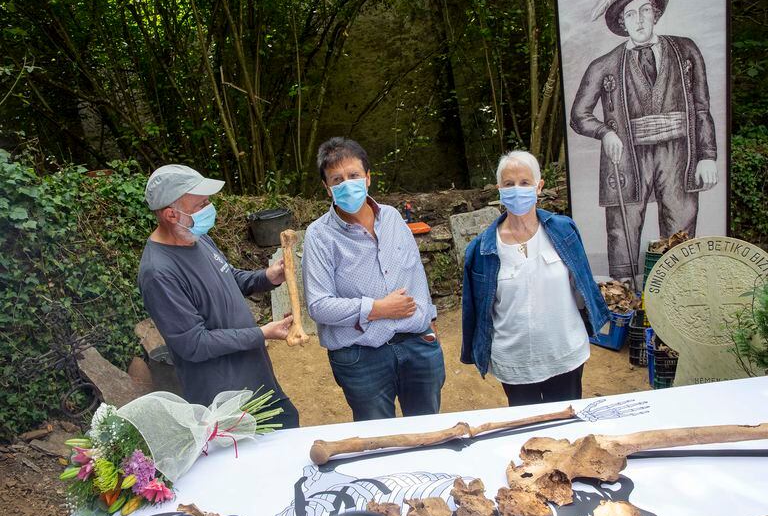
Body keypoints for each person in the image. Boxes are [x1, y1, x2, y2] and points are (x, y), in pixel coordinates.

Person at [138, 163, 299, 428]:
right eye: (200, 205)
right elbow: (194, 343)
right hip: (224, 399)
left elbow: (229, 277)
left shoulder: (197, 239)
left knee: (289, 426)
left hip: (257, 378)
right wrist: (262, 333)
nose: (209, 209)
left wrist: (267, 277)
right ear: (171, 214)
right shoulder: (159, 273)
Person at [570, 0, 717, 280]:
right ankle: (624, 306)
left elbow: (701, 107)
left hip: (678, 155)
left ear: (656, 13)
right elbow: (578, 115)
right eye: (629, 14)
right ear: (623, 24)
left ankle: (676, 301)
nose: (638, 20)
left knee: (680, 234)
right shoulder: (604, 65)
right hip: (627, 159)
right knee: (622, 233)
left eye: (644, 10)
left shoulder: (686, 51)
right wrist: (605, 132)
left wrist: (707, 156)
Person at [301, 137, 445, 421]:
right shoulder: (319, 236)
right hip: (361, 355)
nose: (347, 184)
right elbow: (318, 305)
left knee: (428, 430)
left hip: (418, 344)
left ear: (368, 178)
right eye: (337, 179)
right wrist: (377, 309)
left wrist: (429, 322)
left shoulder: (392, 217)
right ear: (327, 188)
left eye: (353, 175)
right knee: (378, 441)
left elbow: (415, 272)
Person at [461, 151, 609, 407]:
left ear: (539, 187)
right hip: (514, 362)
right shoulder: (482, 248)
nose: (517, 190)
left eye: (525, 183)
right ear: (499, 190)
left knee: (565, 428)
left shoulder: (563, 230)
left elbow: (582, 284)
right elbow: (476, 309)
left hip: (564, 354)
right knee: (527, 435)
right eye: (509, 184)